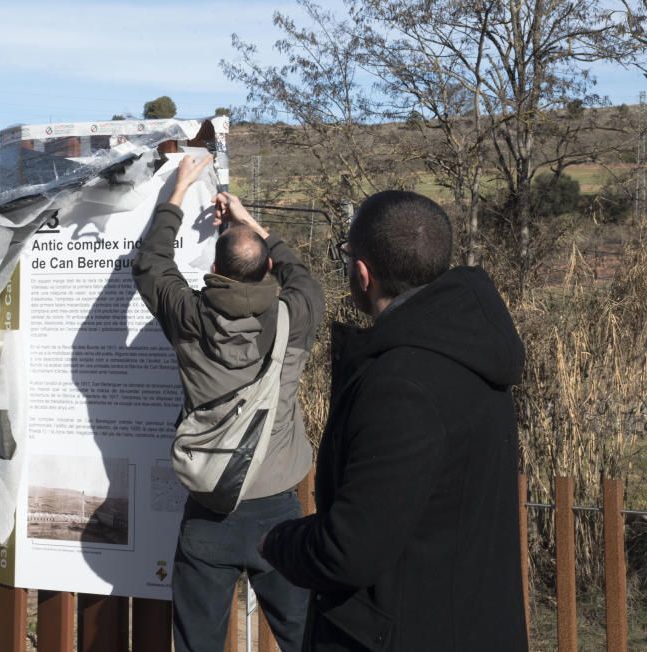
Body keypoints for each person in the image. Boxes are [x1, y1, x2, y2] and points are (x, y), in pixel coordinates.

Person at [259, 190, 528, 651]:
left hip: (402, 633)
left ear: (362, 273)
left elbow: (350, 549)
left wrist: (277, 542)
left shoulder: (401, 385)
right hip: (465, 622)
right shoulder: (474, 352)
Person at [133, 155, 325, 652]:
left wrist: (177, 191)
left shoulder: (189, 317)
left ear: (215, 270)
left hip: (208, 509)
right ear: (266, 269)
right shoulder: (294, 316)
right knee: (304, 637)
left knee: (198, 642)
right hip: (280, 510)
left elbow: (151, 263)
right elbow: (300, 272)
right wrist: (248, 221)